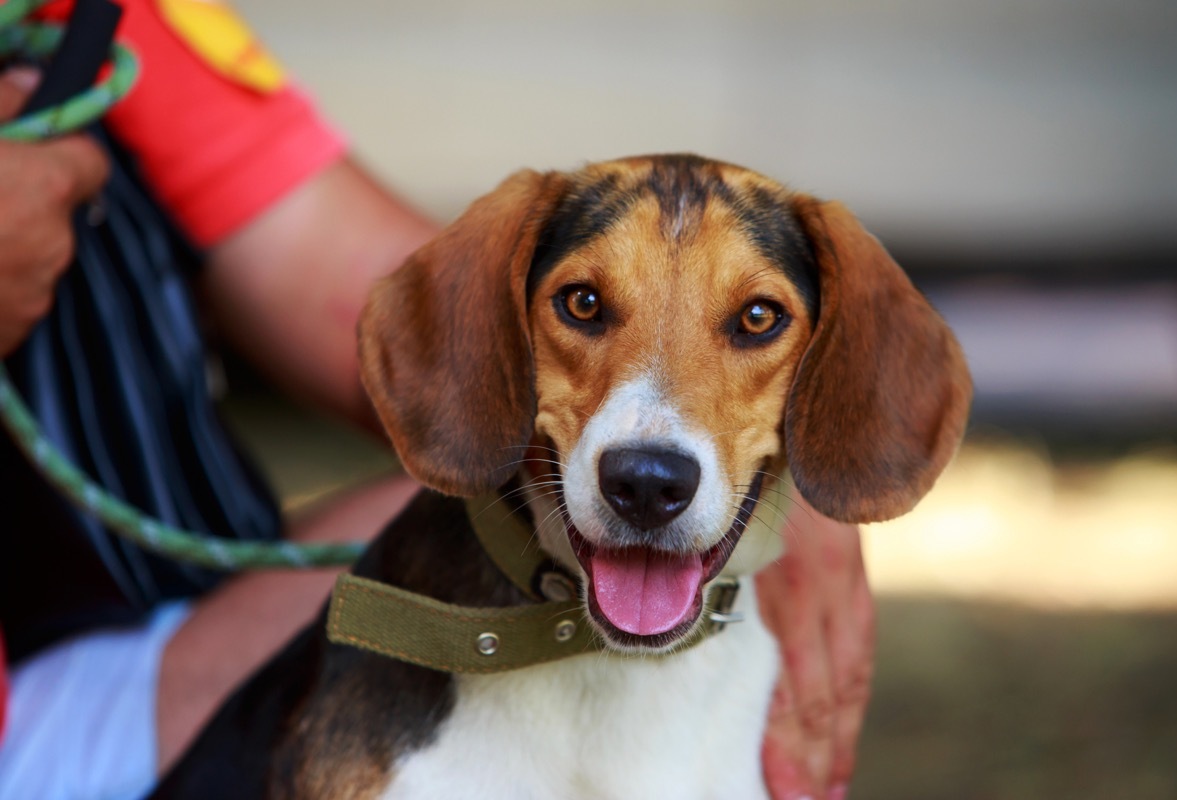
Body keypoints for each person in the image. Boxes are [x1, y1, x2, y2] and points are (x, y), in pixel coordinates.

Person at [0, 3, 874, 799]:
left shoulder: (92, 17)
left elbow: (393, 307)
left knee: (469, 478)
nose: (654, 434)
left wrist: (808, 439)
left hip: (75, 678)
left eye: (756, 317)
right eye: (584, 304)